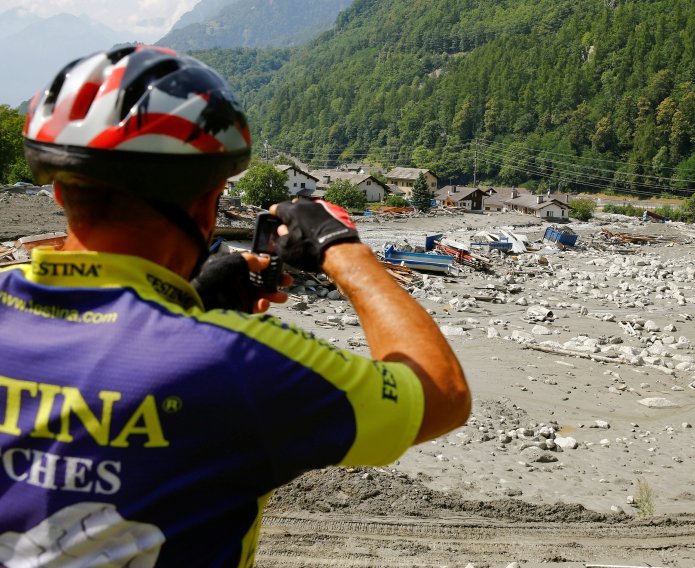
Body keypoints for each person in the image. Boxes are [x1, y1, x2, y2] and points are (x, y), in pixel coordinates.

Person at [0, 46, 469, 567]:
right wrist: (345, 250)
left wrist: (185, 302)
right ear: (207, 203)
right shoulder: (234, 362)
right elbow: (442, 394)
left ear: (61, 194)